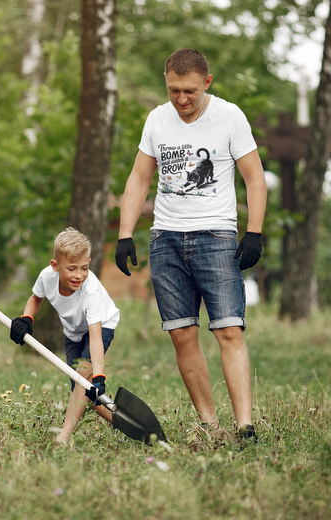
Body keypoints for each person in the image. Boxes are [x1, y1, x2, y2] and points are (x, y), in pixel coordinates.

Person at [115, 48, 267, 440]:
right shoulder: (156, 119)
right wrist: (125, 234)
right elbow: (138, 179)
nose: (181, 99)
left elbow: (254, 177)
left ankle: (245, 426)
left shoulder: (230, 117)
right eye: (173, 90)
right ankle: (210, 424)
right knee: (182, 333)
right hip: (166, 239)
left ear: (207, 83)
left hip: (216, 237)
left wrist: (253, 230)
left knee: (228, 330)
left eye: (190, 92)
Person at [10, 227, 120, 445]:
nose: (79, 275)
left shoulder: (91, 290)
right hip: (72, 332)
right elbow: (36, 298)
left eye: (84, 268)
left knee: (85, 376)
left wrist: (99, 376)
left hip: (101, 325)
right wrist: (26, 319)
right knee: (84, 394)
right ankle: (124, 424)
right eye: (71, 269)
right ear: (55, 266)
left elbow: (96, 337)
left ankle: (64, 435)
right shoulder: (46, 277)